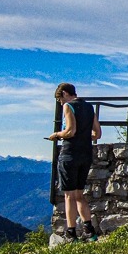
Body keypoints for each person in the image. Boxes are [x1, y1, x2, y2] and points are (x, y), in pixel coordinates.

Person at [48, 83, 102, 242]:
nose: (60, 103)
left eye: (59, 99)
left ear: (64, 93)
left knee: (69, 196)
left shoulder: (68, 106)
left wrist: (57, 134)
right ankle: (89, 231)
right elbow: (97, 133)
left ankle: (71, 233)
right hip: (85, 154)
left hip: (70, 153)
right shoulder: (88, 107)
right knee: (79, 194)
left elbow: (70, 131)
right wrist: (85, 138)